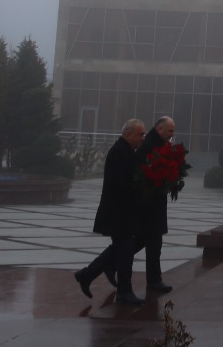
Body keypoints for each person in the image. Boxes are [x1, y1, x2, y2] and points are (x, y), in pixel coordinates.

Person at [73, 118, 147, 305]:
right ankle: (123, 291)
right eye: (140, 134)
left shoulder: (127, 151)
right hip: (117, 212)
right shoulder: (119, 152)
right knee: (124, 250)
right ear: (128, 134)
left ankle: (87, 275)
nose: (143, 138)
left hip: (122, 212)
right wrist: (140, 187)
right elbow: (118, 183)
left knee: (121, 249)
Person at [133, 115, 177, 295]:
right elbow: (145, 174)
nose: (172, 134)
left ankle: (108, 264)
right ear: (160, 129)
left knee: (144, 241)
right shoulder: (150, 145)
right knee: (152, 242)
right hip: (149, 204)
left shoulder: (158, 144)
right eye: (170, 131)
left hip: (155, 202)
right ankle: (154, 280)